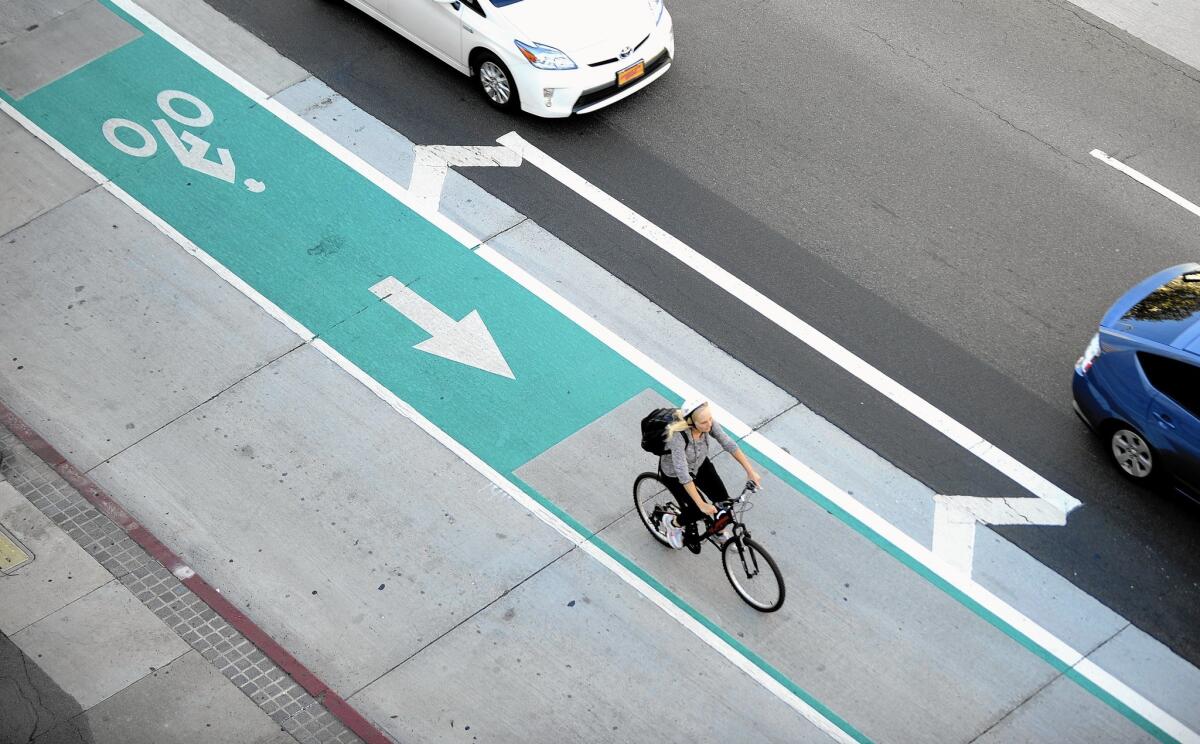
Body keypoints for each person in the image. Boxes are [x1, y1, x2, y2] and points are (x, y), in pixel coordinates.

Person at [658, 399, 761, 553]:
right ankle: (672, 524)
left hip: (699, 464)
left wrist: (750, 471)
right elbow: (684, 475)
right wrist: (701, 504)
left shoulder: (708, 424)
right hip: (675, 474)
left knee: (724, 503)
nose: (709, 424)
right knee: (696, 510)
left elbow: (728, 443)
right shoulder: (678, 437)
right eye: (704, 422)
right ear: (691, 422)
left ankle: (718, 534)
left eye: (710, 419)